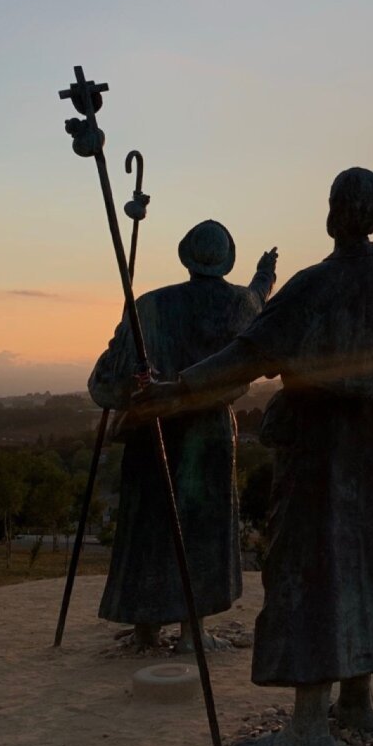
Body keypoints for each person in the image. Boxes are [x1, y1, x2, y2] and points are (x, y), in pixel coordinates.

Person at [126, 165, 373, 746]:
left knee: (312, 565)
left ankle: (310, 721)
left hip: (321, 440)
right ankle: (359, 702)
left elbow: (246, 355)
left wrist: (176, 389)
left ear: (332, 213)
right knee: (367, 562)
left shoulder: (312, 286)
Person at [89, 220, 277, 650]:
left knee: (150, 528)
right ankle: (194, 632)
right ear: (226, 259)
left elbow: (109, 380)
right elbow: (256, 301)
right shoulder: (241, 304)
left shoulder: (150, 305)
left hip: (152, 430)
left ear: (185, 256)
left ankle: (145, 628)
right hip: (208, 432)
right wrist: (265, 273)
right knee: (204, 530)